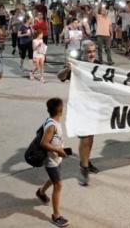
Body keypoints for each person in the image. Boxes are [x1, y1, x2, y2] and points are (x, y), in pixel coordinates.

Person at [60, 41, 101, 186]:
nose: (92, 54)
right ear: (83, 52)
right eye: (89, 51)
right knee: (85, 138)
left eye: (93, 51)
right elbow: (61, 76)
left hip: (93, 106)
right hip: (80, 107)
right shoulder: (76, 64)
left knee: (90, 137)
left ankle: (86, 161)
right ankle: (83, 168)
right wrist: (69, 69)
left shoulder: (98, 64)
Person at [36, 98, 69, 227]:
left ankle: (41, 192)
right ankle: (56, 216)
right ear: (61, 111)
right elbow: (43, 143)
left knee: (54, 179)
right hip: (51, 160)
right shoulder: (52, 125)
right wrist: (58, 150)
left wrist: (59, 152)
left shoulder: (53, 121)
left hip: (56, 158)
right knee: (58, 185)